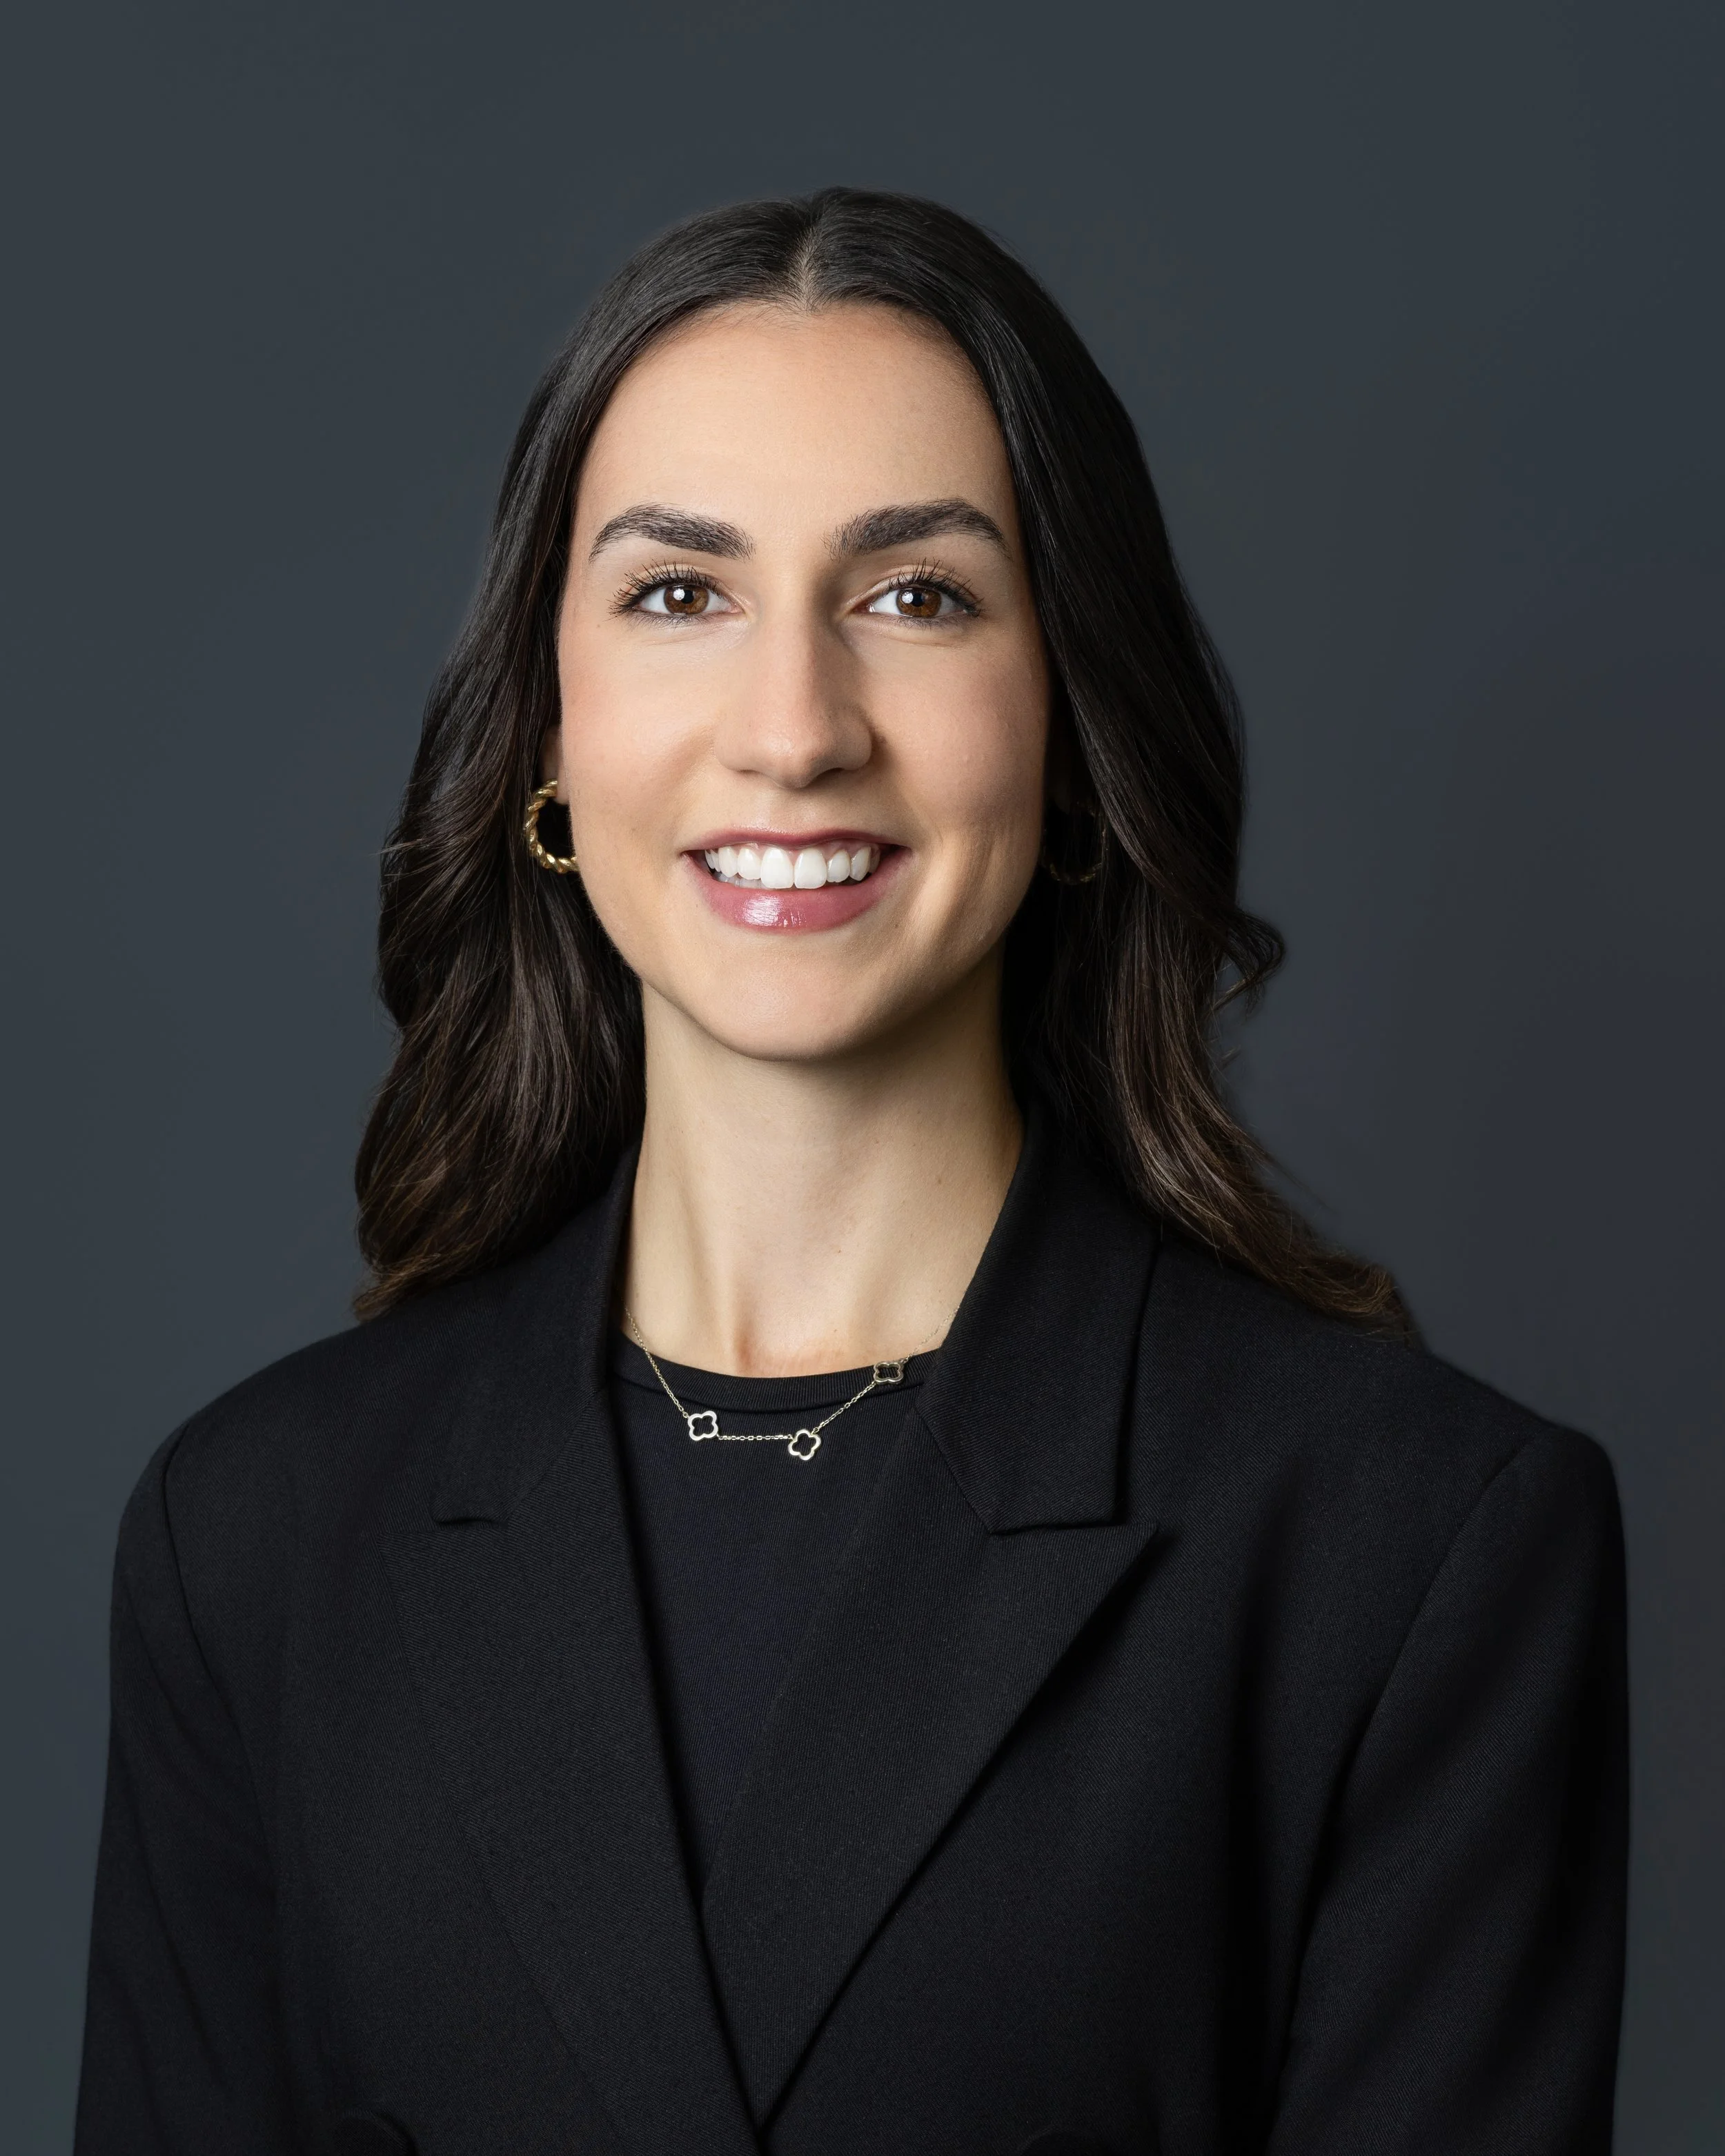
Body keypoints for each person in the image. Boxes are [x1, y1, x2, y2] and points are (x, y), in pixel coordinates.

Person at [75, 189, 1627, 2156]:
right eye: (676, 592)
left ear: (1065, 727)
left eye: (914, 594)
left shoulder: (1412, 1546)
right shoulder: (256, 1544)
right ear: (547, 736)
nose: (794, 730)